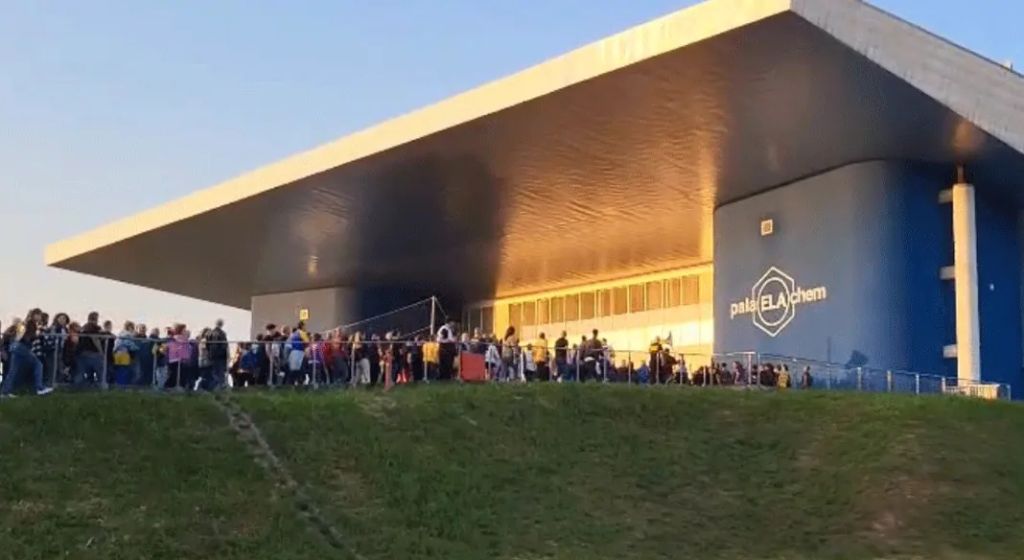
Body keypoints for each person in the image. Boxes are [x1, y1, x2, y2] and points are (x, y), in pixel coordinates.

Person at [1, 309, 53, 397]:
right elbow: (28, 337)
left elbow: (19, 335)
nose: (39, 317)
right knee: (38, 364)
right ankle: (39, 388)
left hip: (16, 347)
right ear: (34, 315)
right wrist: (37, 335)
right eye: (37, 315)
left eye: (40, 315)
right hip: (23, 347)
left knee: (13, 370)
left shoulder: (25, 324)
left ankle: (5, 392)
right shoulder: (31, 324)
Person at [74, 312, 105, 387]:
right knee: (99, 371)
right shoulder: (94, 327)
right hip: (93, 352)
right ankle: (101, 386)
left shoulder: (84, 327)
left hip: (82, 352)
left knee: (83, 371)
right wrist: (101, 352)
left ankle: (79, 386)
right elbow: (95, 339)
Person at [112, 321, 138, 386]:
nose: (133, 329)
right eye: (132, 327)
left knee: (118, 370)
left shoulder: (120, 333)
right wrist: (137, 348)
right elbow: (130, 345)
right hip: (124, 354)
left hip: (116, 354)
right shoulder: (128, 334)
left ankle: (117, 383)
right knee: (124, 370)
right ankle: (122, 385)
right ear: (129, 327)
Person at [207, 319, 229, 390]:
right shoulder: (222, 333)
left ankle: (213, 386)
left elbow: (207, 345)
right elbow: (224, 345)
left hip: (211, 355)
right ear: (222, 324)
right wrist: (225, 355)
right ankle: (219, 386)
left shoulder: (209, 333)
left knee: (213, 372)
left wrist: (209, 352)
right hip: (220, 356)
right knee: (220, 372)